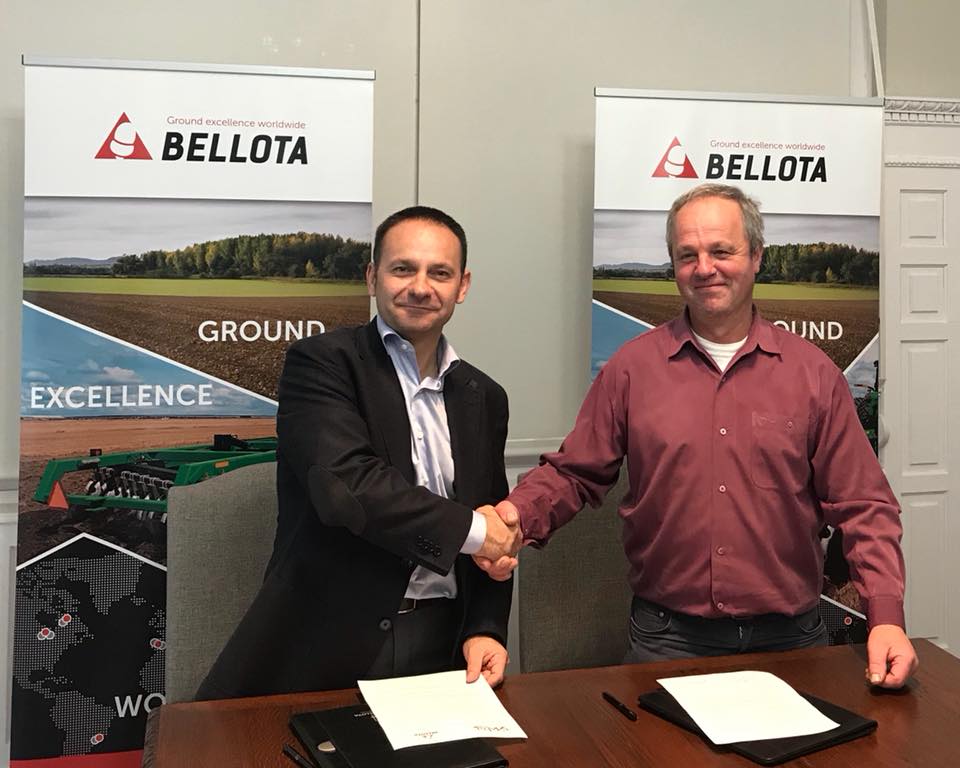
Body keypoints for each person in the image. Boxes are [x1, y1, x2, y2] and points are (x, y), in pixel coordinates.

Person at [477, 183, 918, 688]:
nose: (704, 267)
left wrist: (885, 615)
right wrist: (514, 516)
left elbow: (864, 504)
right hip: (667, 640)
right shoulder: (632, 369)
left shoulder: (813, 374)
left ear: (757, 256)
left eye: (721, 251)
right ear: (673, 266)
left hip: (792, 640)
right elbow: (575, 473)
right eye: (687, 255)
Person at [197, 206, 521, 699]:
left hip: (444, 643)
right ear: (372, 277)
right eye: (402, 268)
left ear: (463, 286)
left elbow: (493, 517)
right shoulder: (321, 364)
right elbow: (347, 488)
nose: (420, 287)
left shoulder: (485, 396)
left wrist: (486, 626)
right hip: (329, 646)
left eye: (439, 273)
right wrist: (479, 535)